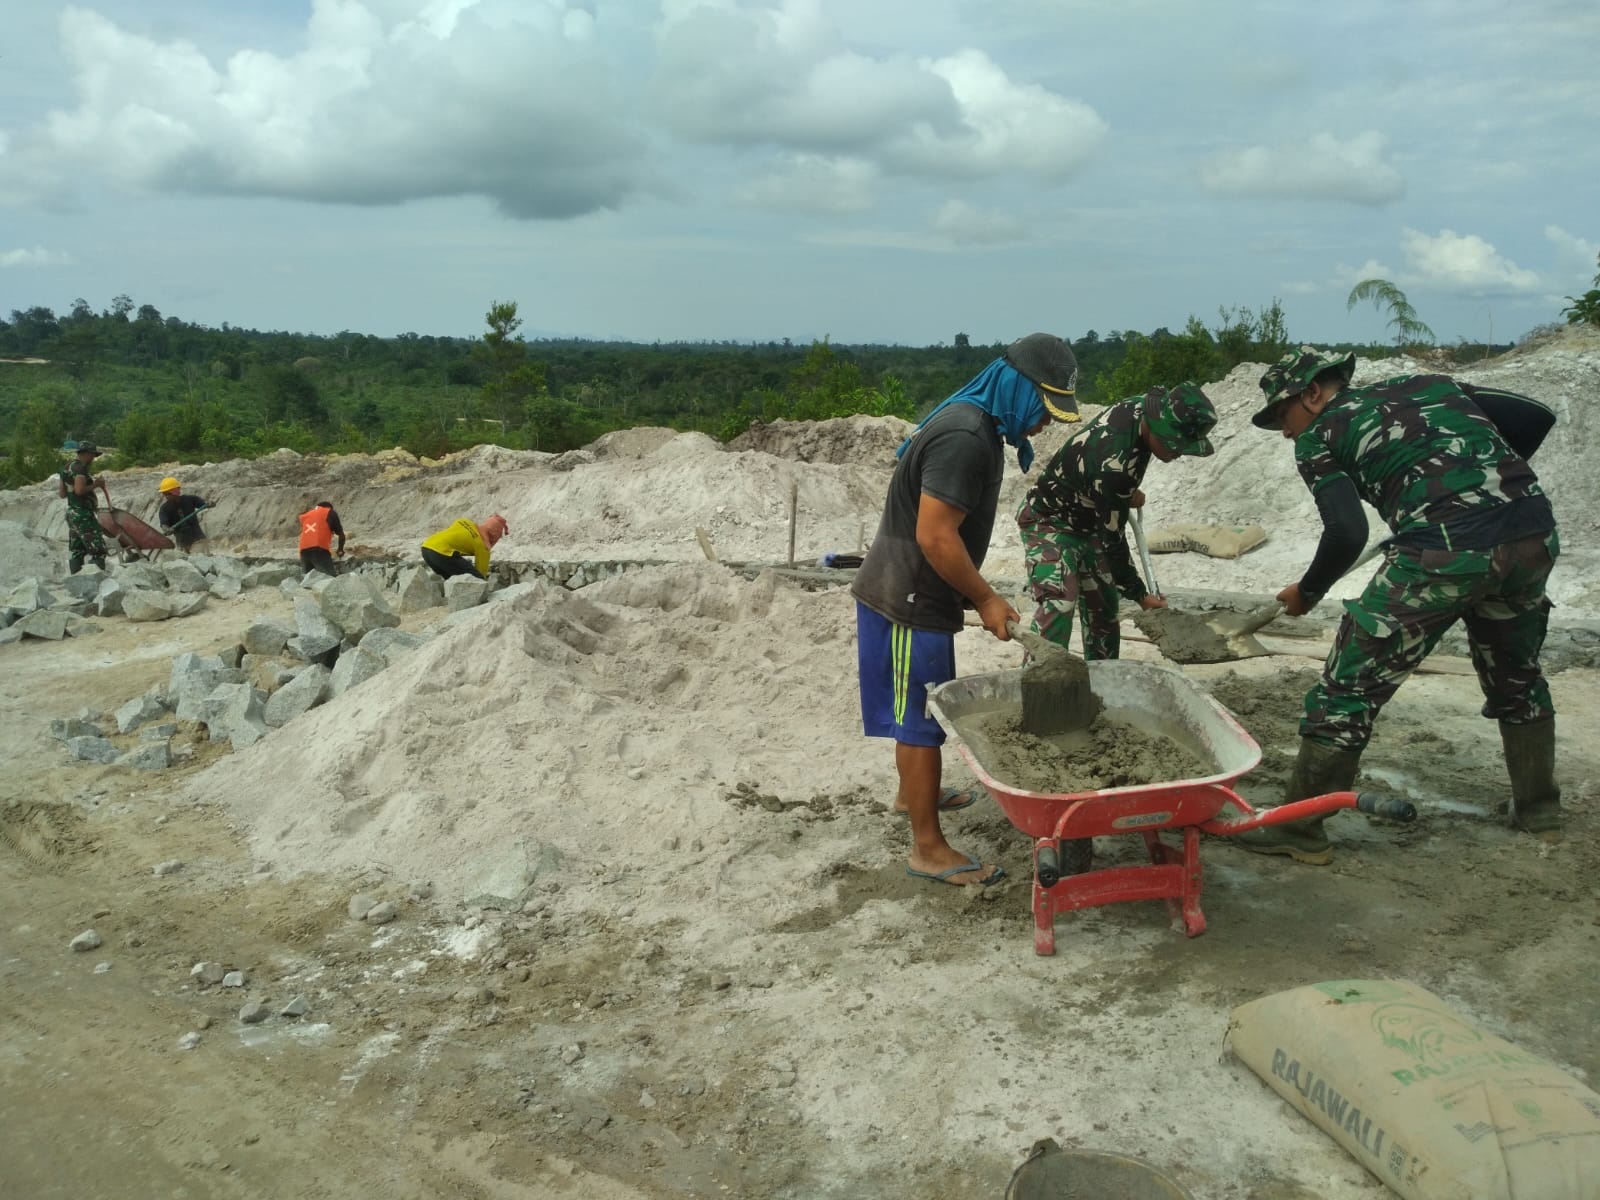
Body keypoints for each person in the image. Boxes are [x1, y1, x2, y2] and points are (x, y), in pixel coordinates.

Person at [1237, 346, 1561, 863]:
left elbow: (1346, 532)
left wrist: (1308, 591)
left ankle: (1298, 829)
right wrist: (1480, 488)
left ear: (1313, 393)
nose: (1285, 431)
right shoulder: (1431, 385)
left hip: (1442, 553)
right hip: (1531, 536)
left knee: (1346, 690)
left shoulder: (1321, 435)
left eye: (1282, 415)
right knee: (1517, 677)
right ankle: (1539, 810)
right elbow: (1534, 415)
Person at [851, 333, 1078, 888]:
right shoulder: (965, 438)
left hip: (916, 591)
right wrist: (985, 598)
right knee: (921, 721)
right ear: (1018, 387)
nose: (1042, 424)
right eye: (1043, 408)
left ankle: (912, 795)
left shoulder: (974, 424)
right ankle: (928, 849)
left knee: (919, 714)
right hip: (908, 598)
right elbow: (935, 535)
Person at [1018, 382, 1218, 658]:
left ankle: (1104, 676)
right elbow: (1113, 541)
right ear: (1157, 426)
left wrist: (1121, 494)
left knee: (1105, 607)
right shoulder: (1113, 465)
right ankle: (1041, 677)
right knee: (1059, 600)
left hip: (1091, 517)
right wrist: (1141, 596)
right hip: (1049, 520)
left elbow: (1108, 480)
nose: (1177, 453)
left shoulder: (1141, 408)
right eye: (1175, 444)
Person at [56, 441, 108, 574]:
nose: (93, 459)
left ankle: (76, 579)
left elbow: (62, 494)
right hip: (83, 515)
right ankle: (97, 580)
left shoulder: (66, 468)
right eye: (93, 455)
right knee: (98, 549)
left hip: (72, 514)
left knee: (77, 550)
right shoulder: (80, 469)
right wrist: (96, 484)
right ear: (87, 454)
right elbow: (79, 491)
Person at [420, 515, 507, 580]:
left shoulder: (464, 521)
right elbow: (480, 577)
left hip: (426, 548)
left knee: (451, 578)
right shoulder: (483, 546)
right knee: (475, 578)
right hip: (441, 554)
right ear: (495, 535)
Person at [156, 477, 209, 553]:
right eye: (164, 494)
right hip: (182, 544)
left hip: (198, 539)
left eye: (168, 493)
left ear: (175, 492)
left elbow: (204, 504)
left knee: (196, 556)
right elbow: (164, 523)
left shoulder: (191, 499)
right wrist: (166, 529)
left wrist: (209, 504)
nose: (166, 496)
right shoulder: (164, 509)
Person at [297, 500, 346, 576]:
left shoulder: (307, 515)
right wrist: (340, 549)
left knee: (309, 579)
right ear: (329, 508)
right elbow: (341, 535)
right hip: (319, 549)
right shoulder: (329, 512)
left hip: (303, 551)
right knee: (329, 578)